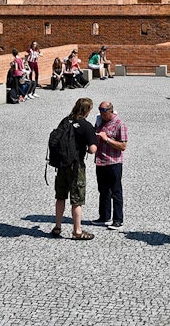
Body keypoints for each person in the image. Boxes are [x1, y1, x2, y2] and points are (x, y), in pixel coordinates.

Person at [51, 98, 99, 240]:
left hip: (61, 165)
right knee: (76, 200)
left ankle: (57, 227)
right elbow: (92, 150)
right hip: (76, 165)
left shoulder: (66, 121)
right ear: (88, 110)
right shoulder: (86, 126)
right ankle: (77, 231)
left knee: (60, 196)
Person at [94, 101, 128, 230]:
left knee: (116, 191)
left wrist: (106, 139)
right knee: (103, 191)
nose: (101, 114)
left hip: (114, 162)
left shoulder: (120, 124)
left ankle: (118, 219)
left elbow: (123, 146)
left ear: (110, 111)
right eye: (100, 111)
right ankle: (104, 216)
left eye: (103, 112)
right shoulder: (99, 121)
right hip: (100, 161)